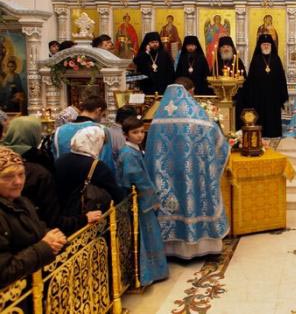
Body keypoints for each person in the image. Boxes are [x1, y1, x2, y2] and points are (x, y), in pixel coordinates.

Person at [145, 84, 229, 259]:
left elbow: (150, 153)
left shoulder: (157, 120)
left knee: (172, 205)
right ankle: (201, 246)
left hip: (167, 175)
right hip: (195, 174)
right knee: (194, 201)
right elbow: (220, 145)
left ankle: (171, 249)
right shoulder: (198, 116)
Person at [0, 147, 66, 288]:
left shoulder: (21, 201)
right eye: (8, 176)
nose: (18, 182)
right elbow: (4, 272)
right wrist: (45, 247)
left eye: (21, 174)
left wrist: (54, 239)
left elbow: (38, 229)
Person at [116, 117, 169, 286]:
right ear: (126, 134)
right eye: (135, 132)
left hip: (140, 199)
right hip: (139, 201)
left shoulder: (135, 150)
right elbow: (137, 178)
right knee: (146, 235)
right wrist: (152, 197)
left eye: (142, 132)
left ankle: (155, 271)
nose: (140, 136)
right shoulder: (128, 153)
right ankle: (149, 272)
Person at [55, 127, 125, 217]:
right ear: (96, 142)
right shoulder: (96, 166)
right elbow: (116, 194)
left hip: (61, 215)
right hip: (87, 216)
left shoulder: (61, 160)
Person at [52, 95, 115, 173]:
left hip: (63, 177)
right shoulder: (101, 130)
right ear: (98, 111)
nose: (101, 118)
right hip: (92, 178)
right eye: (103, 115)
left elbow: (56, 158)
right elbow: (107, 162)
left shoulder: (60, 131)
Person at [243, 34, 288, 138]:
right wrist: (251, 96)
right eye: (264, 44)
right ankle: (260, 133)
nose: (266, 46)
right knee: (260, 115)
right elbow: (251, 80)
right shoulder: (256, 60)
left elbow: (282, 78)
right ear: (260, 46)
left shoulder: (276, 59)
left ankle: (274, 133)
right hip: (259, 96)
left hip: (274, 95)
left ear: (271, 45)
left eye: (268, 44)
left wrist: (282, 94)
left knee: (273, 115)